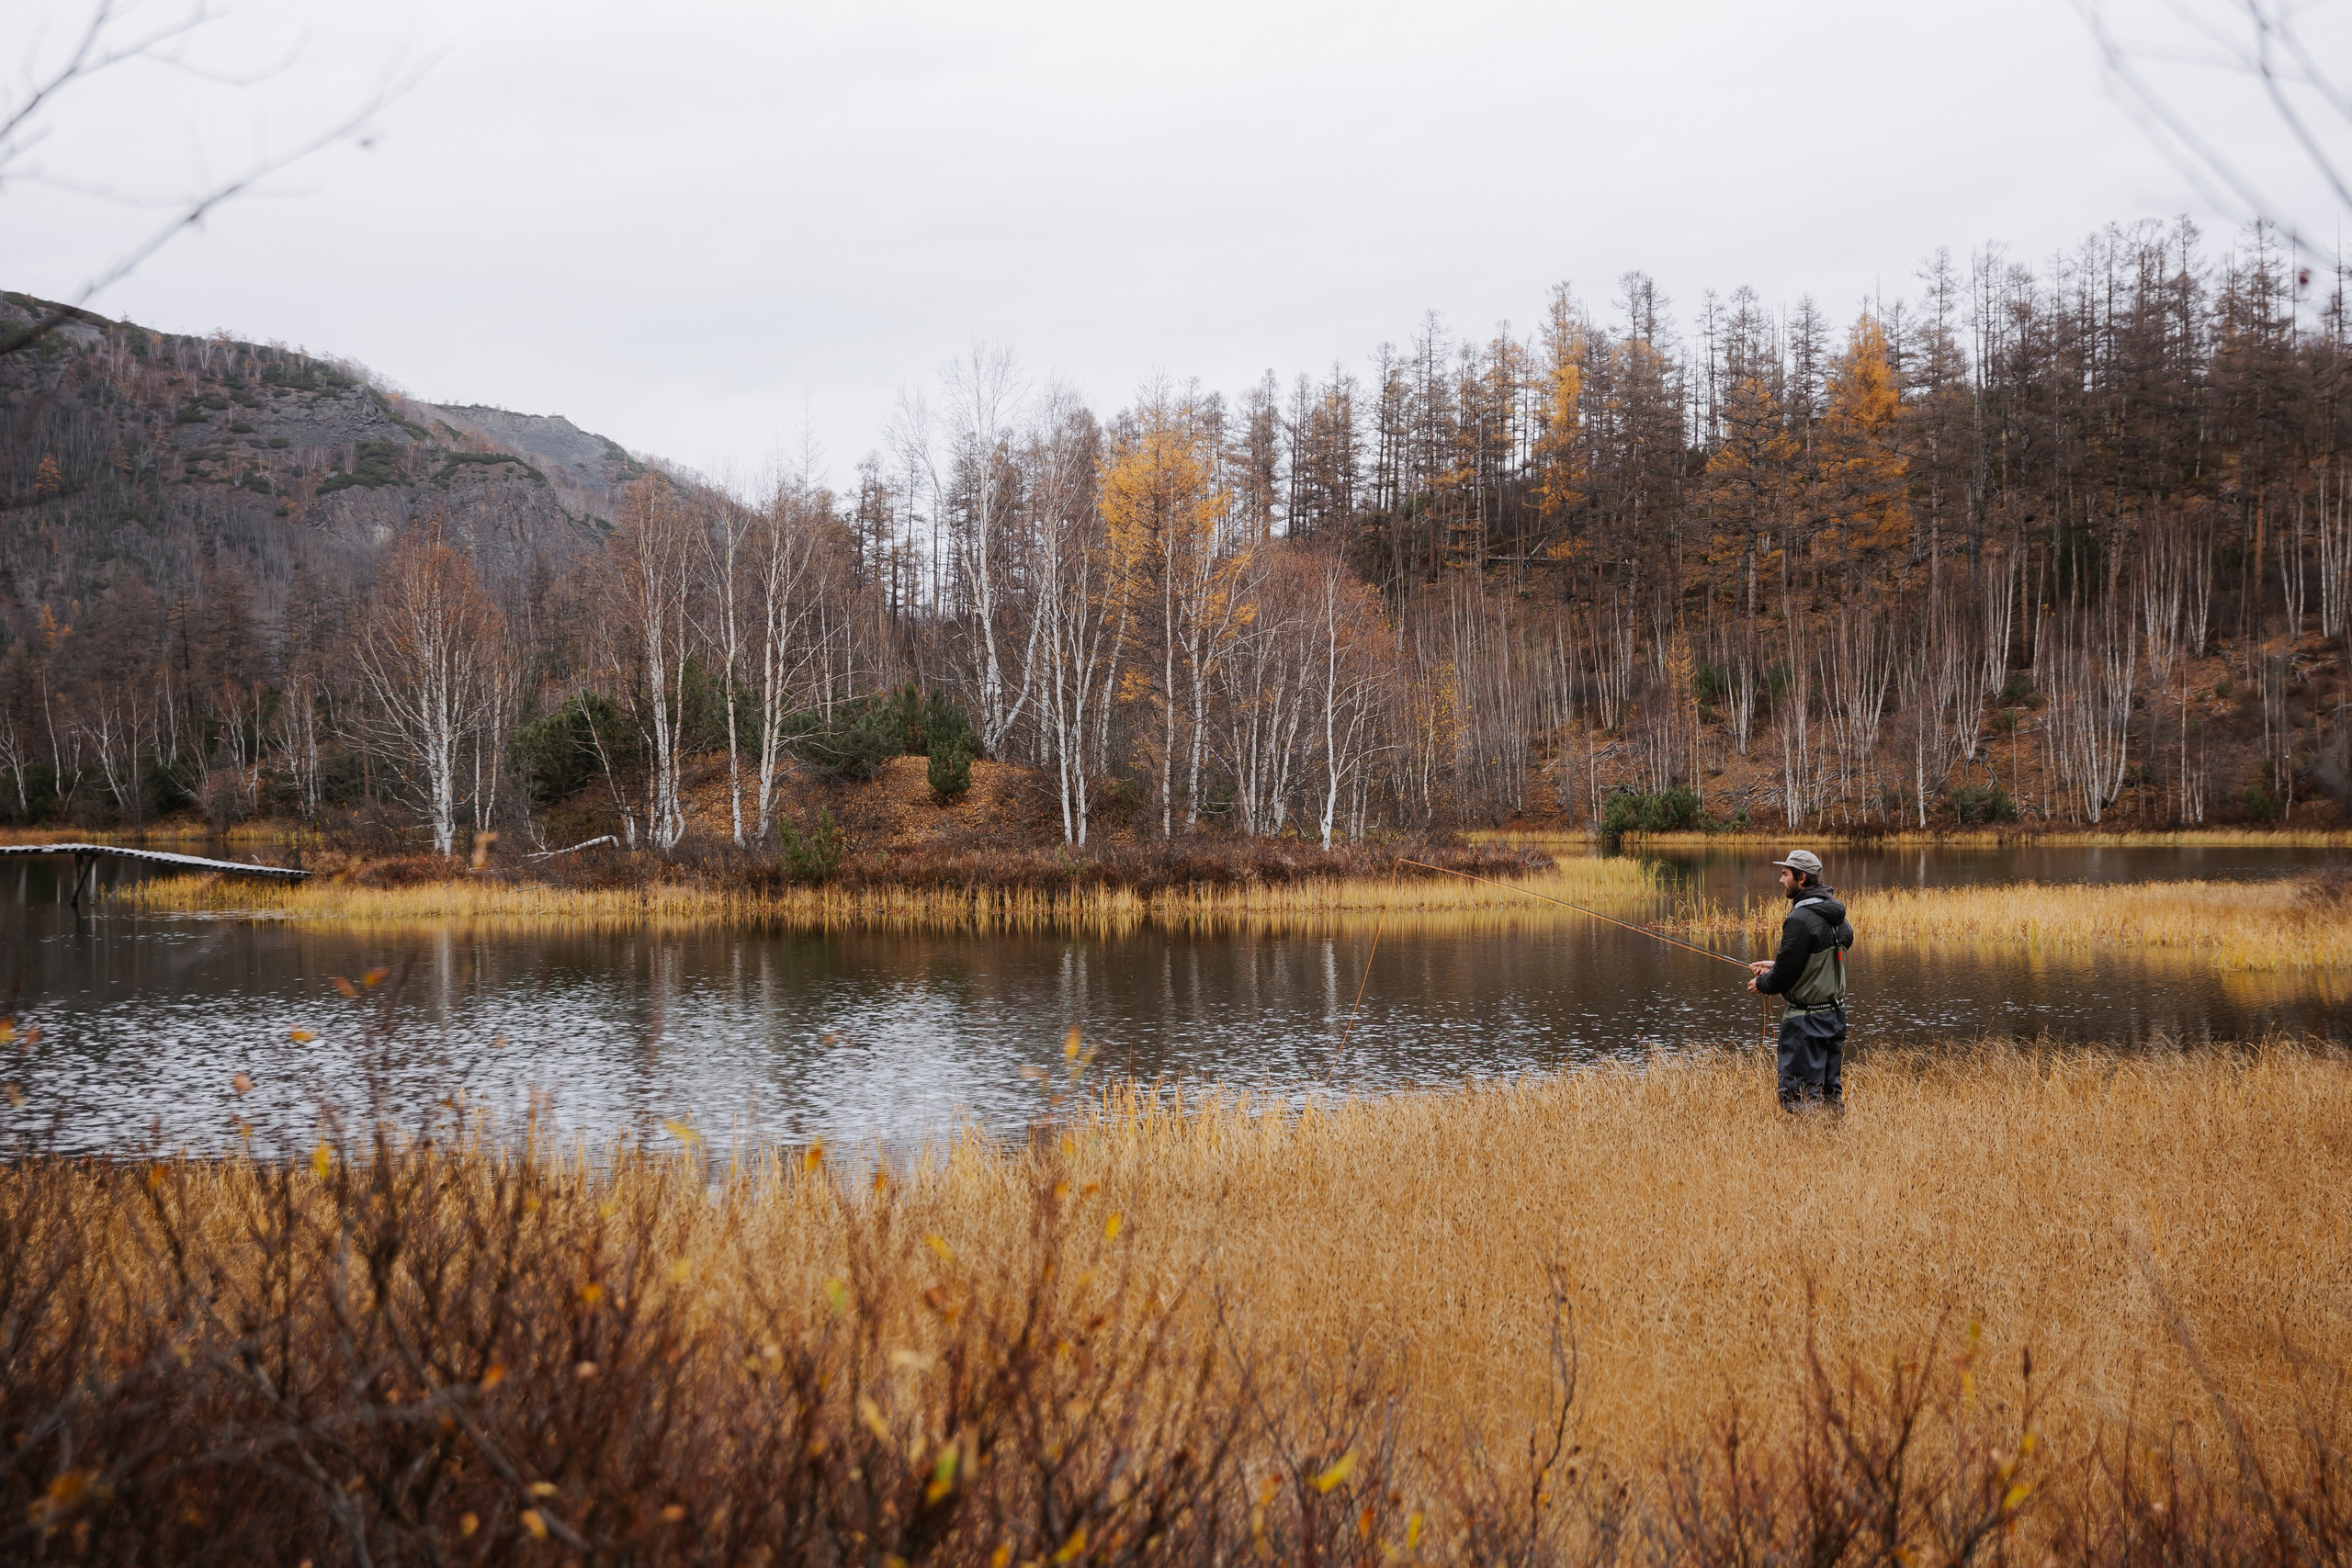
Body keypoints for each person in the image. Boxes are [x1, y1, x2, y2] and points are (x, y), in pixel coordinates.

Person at [1745, 850, 1855, 1111]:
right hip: (1834, 1016)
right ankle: (1831, 1145)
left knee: (1799, 1097)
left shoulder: (1800, 919)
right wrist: (1777, 963)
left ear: (1802, 878)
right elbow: (1827, 952)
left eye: (1785, 874)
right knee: (1830, 1094)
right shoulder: (1836, 916)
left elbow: (1783, 978)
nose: (1781, 880)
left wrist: (1763, 983)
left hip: (1806, 1023)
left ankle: (1805, 1147)